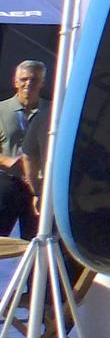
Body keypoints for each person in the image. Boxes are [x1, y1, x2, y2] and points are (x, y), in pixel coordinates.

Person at [0, 60, 47, 239]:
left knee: (38, 239)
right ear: (15, 81)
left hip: (39, 184)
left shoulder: (50, 111)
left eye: (34, 80)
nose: (28, 84)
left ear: (42, 82)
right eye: (24, 79)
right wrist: (8, 161)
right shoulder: (1, 110)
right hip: (8, 181)